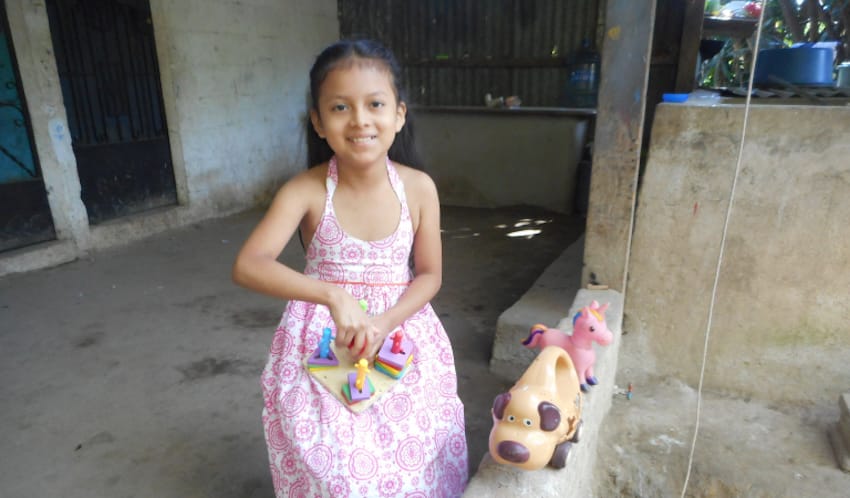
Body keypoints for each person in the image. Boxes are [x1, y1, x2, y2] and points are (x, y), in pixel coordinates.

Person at [232, 39, 468, 497]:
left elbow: (429, 275)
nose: (360, 120)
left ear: (399, 114)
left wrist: (382, 322)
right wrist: (333, 296)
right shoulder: (304, 190)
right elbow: (249, 264)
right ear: (319, 123)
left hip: (401, 333)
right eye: (340, 107)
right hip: (321, 343)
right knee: (337, 471)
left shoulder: (419, 189)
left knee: (416, 457)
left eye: (375, 104)